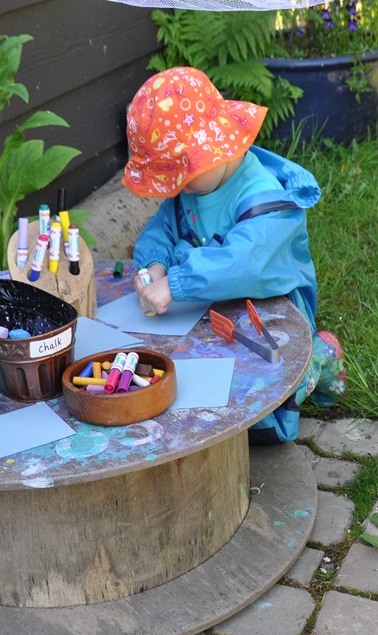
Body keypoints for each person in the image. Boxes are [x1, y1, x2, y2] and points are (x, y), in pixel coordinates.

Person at [122, 66, 345, 444]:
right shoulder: (193, 188)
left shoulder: (265, 201)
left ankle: (321, 357)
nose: (178, 187)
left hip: (272, 315)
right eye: (171, 178)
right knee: (198, 392)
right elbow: (162, 228)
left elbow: (243, 262)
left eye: (184, 174)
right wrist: (154, 264)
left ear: (218, 147)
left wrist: (175, 283)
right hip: (218, 308)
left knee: (265, 399)